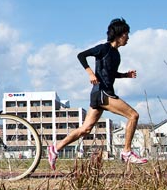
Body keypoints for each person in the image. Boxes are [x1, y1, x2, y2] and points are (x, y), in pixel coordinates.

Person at [47, 18, 147, 170]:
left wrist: (125, 75)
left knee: (85, 129)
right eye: (126, 34)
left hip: (100, 94)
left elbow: (111, 74)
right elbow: (81, 55)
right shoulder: (103, 48)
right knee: (133, 115)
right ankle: (126, 152)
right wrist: (90, 73)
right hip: (102, 92)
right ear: (119, 35)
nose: (128, 38)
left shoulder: (116, 55)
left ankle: (55, 148)